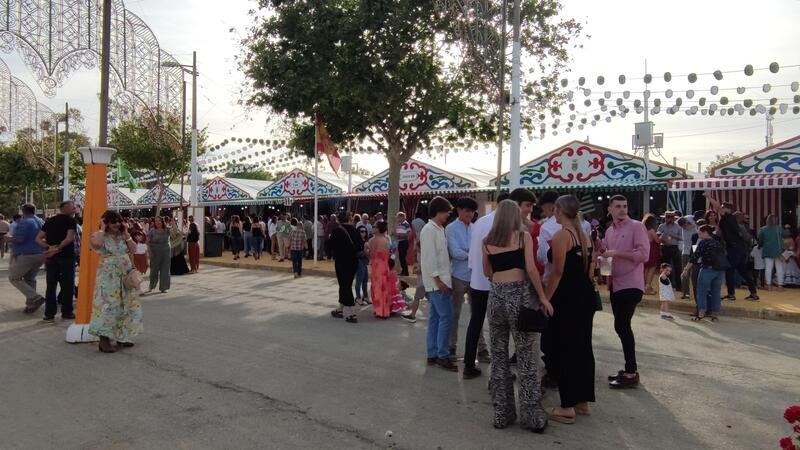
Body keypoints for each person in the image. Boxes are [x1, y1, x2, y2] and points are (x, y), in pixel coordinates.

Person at [482, 199, 551, 431]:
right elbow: (530, 269)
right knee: (526, 358)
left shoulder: (487, 242)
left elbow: (487, 271)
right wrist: (542, 297)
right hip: (518, 298)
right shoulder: (523, 237)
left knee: (499, 357)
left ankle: (502, 413)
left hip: (495, 298)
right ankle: (532, 416)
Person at [542, 195, 595, 425]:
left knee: (561, 349)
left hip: (566, 297)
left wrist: (545, 298)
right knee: (582, 348)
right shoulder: (585, 235)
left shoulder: (562, 235)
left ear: (559, 210)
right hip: (584, 295)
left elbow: (557, 271)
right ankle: (582, 400)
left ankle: (567, 406)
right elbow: (590, 267)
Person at [602, 194, 649, 389]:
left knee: (623, 325)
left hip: (632, 283)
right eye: (618, 206)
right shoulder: (609, 231)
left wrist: (617, 253)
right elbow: (606, 256)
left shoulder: (637, 227)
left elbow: (644, 254)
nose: (622, 209)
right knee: (620, 326)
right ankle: (629, 369)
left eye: (625, 206)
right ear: (610, 209)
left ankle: (631, 372)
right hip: (615, 283)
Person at [462, 192, 510, 378]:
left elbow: (473, 253)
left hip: (477, 280)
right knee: (500, 327)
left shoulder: (480, 222)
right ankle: (500, 371)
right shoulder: (505, 224)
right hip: (496, 281)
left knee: (475, 323)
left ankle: (468, 364)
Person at [88, 210, 143, 353]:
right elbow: (97, 245)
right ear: (106, 222)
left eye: (119, 221)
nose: (117, 224)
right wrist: (102, 229)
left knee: (125, 305)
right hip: (108, 278)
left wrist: (126, 234)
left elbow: (134, 249)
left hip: (124, 275)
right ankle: (104, 340)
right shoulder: (99, 235)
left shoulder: (123, 236)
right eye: (113, 221)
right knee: (108, 306)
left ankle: (122, 336)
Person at [420, 196, 458, 372]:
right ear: (438, 211)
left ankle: (433, 353)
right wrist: (438, 280)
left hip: (441, 280)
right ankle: (442, 355)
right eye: (446, 212)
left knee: (436, 318)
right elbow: (429, 258)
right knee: (446, 317)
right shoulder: (429, 230)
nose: (448, 215)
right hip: (437, 282)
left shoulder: (439, 229)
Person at [445, 197, 481, 362]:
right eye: (467, 210)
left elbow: (476, 250)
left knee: (477, 314)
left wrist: (468, 252)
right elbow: (455, 252)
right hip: (458, 276)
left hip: (475, 277)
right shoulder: (451, 228)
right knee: (454, 314)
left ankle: (482, 348)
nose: (470, 214)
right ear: (459, 210)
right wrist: (472, 254)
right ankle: (451, 346)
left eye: (472, 211)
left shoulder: (476, 227)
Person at [37, 200, 78, 322]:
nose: (74, 209)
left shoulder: (50, 221)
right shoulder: (71, 221)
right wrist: (58, 248)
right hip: (66, 256)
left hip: (51, 257)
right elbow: (70, 238)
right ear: (64, 208)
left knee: (51, 285)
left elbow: (38, 238)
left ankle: (49, 314)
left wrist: (49, 247)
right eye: (72, 207)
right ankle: (67, 312)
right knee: (67, 285)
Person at [711, 199, 759, 301]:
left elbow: (717, 207)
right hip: (740, 248)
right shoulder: (731, 218)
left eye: (723, 207)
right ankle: (753, 293)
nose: (720, 209)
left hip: (734, 248)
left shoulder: (727, 217)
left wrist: (708, 197)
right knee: (742, 270)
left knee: (729, 270)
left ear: (726, 209)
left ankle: (731, 294)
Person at [682, 225, 729, 322]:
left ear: (705, 232)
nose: (698, 235)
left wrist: (686, 269)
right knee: (716, 292)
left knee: (701, 292)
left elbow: (695, 257)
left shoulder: (703, 242)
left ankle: (701, 314)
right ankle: (715, 315)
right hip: (719, 270)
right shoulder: (717, 242)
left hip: (707, 269)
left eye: (700, 233)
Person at [7, 204, 45, 313]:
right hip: (39, 253)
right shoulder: (41, 221)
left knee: (14, 278)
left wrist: (8, 238)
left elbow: (19, 239)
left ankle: (34, 296)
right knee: (30, 279)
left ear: (23, 211)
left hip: (25, 254)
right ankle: (31, 305)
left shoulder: (24, 222)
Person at [329, 212, 361, 323]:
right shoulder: (355, 231)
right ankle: (340, 309)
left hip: (341, 262)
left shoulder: (337, 231)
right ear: (349, 219)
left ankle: (352, 313)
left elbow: (330, 246)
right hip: (353, 262)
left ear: (338, 220)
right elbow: (360, 246)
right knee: (345, 284)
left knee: (345, 286)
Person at [367, 221, 393, 318]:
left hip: (376, 266)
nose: (373, 228)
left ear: (378, 229)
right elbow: (388, 254)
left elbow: (370, 254)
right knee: (384, 288)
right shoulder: (386, 240)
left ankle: (379, 310)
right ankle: (384, 311)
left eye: (374, 226)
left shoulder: (371, 240)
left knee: (377, 287)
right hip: (384, 266)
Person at [657, 211, 683, 291]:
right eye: (666, 217)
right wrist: (662, 239)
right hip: (665, 247)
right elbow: (657, 237)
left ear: (673, 218)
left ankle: (678, 286)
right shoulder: (661, 226)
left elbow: (681, 238)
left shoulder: (678, 227)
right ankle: (667, 284)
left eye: (669, 217)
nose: (667, 219)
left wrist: (673, 235)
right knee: (665, 267)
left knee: (677, 267)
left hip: (674, 247)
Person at [759, 214, 784, 290]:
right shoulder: (779, 228)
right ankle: (780, 285)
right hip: (778, 251)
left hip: (767, 250)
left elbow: (760, 240)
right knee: (779, 268)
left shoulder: (762, 229)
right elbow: (782, 238)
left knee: (768, 268)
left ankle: (769, 285)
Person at [147, 216, 171, 293]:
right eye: (156, 221)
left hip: (166, 251)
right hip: (155, 252)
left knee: (165, 270)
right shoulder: (152, 231)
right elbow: (147, 242)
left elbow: (175, 233)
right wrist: (149, 251)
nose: (157, 222)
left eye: (159, 221)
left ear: (162, 221)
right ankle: (151, 285)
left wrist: (173, 222)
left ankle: (164, 287)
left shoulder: (167, 230)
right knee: (154, 270)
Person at [642, 214, 660, 296]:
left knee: (645, 269)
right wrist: (661, 237)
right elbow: (657, 240)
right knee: (652, 268)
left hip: (644, 250)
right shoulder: (651, 230)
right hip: (652, 250)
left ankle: (645, 286)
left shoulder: (642, 229)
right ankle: (647, 287)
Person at [678, 216, 696, 299]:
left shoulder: (690, 223)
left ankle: (687, 293)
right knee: (686, 273)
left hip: (690, 251)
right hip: (689, 251)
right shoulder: (693, 225)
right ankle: (686, 293)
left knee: (690, 273)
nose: (685, 226)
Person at [355, 226, 370, 305]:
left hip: (365, 261)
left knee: (365, 280)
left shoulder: (366, 241)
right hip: (359, 261)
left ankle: (366, 296)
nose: (364, 233)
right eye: (362, 231)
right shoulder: (356, 241)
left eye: (365, 231)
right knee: (359, 280)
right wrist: (365, 252)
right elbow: (356, 253)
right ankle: (358, 297)